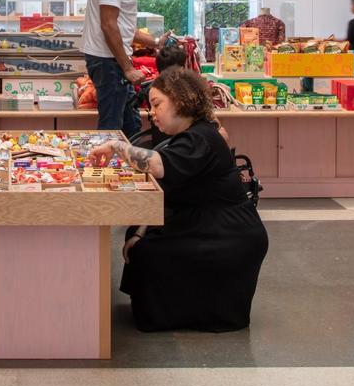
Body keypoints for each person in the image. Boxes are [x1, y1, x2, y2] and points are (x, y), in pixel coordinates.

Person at [93, 67, 269, 332]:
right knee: (140, 239)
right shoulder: (191, 135)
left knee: (148, 251)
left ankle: (166, 314)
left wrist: (117, 146)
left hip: (227, 235)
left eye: (156, 104)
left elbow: (159, 165)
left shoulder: (202, 137)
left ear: (180, 99)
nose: (151, 113)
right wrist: (141, 231)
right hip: (208, 225)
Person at [81, 0, 164, 137]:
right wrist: (127, 68)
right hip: (109, 63)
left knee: (130, 127)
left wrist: (154, 43)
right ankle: (106, 170)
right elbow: (108, 25)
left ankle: (129, 170)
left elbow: (122, 27)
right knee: (112, 128)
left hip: (112, 61)